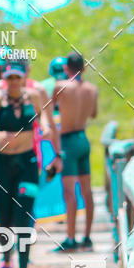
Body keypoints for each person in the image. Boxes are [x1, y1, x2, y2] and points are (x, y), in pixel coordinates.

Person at [0, 60, 62, 268]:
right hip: (2, 164)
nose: (13, 82)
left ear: (23, 78)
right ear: (4, 78)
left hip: (28, 164)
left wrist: (46, 130)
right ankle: (6, 262)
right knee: (5, 219)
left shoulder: (33, 96)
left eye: (17, 78)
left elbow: (43, 119)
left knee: (24, 218)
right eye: (9, 77)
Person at [52, 51, 98, 251]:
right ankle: (87, 238)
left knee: (70, 192)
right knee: (87, 191)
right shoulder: (92, 89)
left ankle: (70, 239)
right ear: (84, 68)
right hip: (83, 139)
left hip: (68, 140)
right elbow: (94, 114)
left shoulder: (60, 87)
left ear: (65, 68)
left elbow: (49, 110)